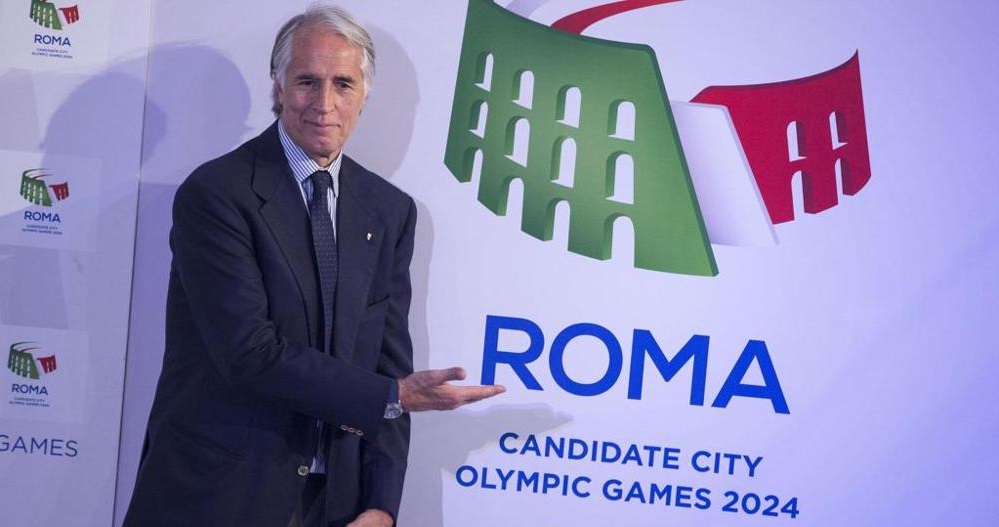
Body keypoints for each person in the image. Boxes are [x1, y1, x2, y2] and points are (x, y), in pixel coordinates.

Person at [122, 5, 503, 526]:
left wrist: (381, 504)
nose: (325, 104)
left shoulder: (389, 211)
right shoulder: (216, 195)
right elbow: (250, 354)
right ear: (278, 86)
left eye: (343, 84)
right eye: (307, 82)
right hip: (218, 498)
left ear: (364, 96)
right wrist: (393, 395)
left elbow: (388, 362)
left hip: (333, 506)